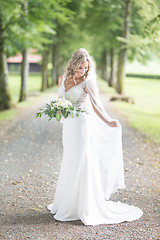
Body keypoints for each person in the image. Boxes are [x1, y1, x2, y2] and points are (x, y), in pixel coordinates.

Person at [47, 48, 143, 226]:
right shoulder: (61, 79)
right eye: (81, 67)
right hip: (68, 127)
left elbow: (97, 105)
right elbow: (59, 100)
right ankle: (67, 202)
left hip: (82, 125)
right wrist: (58, 109)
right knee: (69, 160)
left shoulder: (87, 82)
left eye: (86, 67)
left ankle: (84, 205)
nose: (83, 70)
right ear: (73, 64)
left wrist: (108, 121)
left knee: (82, 161)